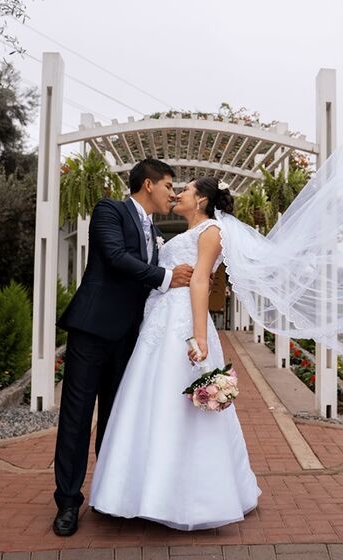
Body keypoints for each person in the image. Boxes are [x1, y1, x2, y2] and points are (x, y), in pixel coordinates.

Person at [87, 176, 260, 531]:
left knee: (180, 405)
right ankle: (140, 492)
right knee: (149, 399)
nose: (178, 193)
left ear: (200, 201)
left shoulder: (211, 231)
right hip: (159, 320)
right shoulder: (186, 233)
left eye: (186, 190)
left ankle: (189, 497)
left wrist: (199, 337)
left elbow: (200, 282)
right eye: (175, 188)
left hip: (182, 323)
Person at [51, 159, 194, 537]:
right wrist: (166, 276)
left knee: (116, 419)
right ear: (148, 184)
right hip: (93, 330)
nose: (172, 194)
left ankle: (109, 495)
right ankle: (67, 502)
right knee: (77, 418)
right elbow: (115, 259)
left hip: (129, 337)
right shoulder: (109, 210)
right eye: (168, 186)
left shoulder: (155, 229)